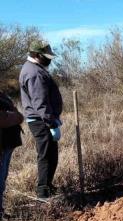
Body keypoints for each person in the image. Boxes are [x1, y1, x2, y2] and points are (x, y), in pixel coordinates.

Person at [19, 40, 63, 199]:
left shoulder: (35, 68)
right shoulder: (34, 73)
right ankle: (43, 194)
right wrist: (51, 123)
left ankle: (48, 187)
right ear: (37, 55)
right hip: (41, 121)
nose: (50, 60)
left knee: (51, 155)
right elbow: (40, 103)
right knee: (46, 156)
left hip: (42, 120)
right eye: (47, 56)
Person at [0, 93, 23, 221]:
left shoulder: (3, 95)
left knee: (2, 179)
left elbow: (19, 115)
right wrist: (14, 116)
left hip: (7, 145)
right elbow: (4, 119)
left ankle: (0, 211)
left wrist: (14, 115)